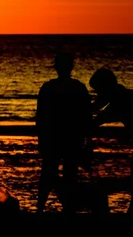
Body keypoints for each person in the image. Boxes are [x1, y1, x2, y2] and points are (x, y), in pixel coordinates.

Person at [89, 67, 133, 217]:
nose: (97, 94)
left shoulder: (120, 99)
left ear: (105, 86)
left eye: (97, 90)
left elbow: (99, 118)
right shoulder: (118, 93)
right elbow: (96, 106)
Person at [35, 51, 93, 214]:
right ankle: (66, 207)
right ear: (70, 67)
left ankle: (42, 208)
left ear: (57, 68)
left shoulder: (48, 88)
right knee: (68, 174)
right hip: (72, 137)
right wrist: (88, 140)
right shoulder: (78, 88)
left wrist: (41, 139)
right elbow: (87, 117)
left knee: (49, 173)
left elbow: (40, 117)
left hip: (54, 137)